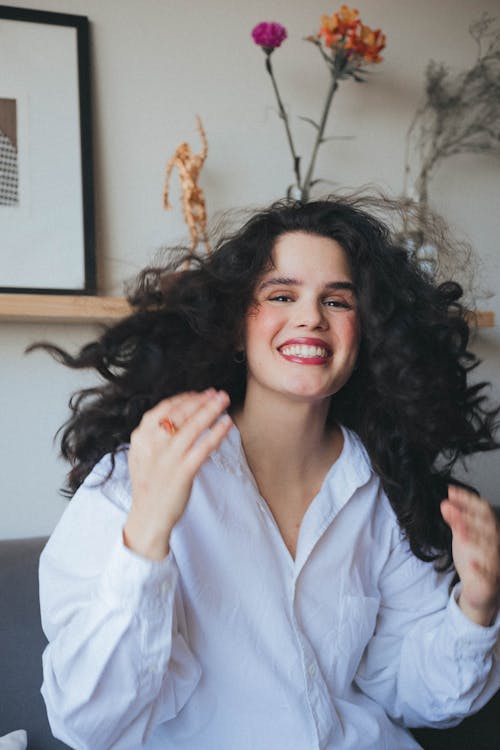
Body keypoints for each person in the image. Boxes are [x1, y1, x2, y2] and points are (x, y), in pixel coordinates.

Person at [35, 197, 500, 750]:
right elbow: (88, 723)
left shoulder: (385, 488)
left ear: (366, 333)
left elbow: (411, 694)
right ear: (237, 328)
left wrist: (477, 606)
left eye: (337, 300)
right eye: (282, 295)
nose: (310, 317)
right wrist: (147, 534)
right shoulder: (137, 474)